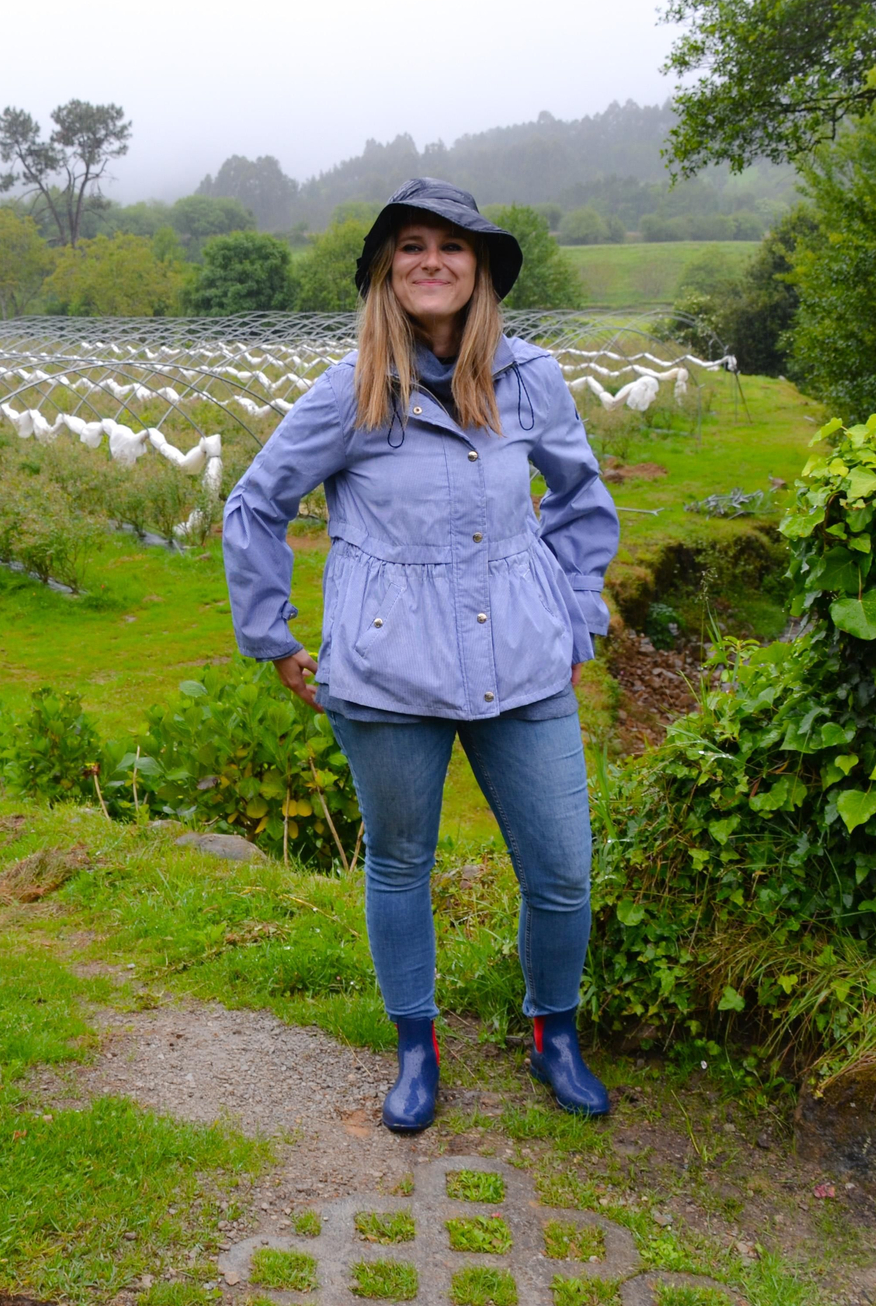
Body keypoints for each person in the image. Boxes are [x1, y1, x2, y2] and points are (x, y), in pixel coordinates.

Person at [221, 178, 620, 1132]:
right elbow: (255, 504)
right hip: (388, 674)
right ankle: (416, 1047)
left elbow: (579, 499)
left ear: (479, 269)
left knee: (563, 867)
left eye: (451, 245)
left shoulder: (533, 381)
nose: (431, 260)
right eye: (410, 247)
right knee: (401, 863)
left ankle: (552, 1033)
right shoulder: (347, 392)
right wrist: (270, 635)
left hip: (523, 661)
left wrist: (577, 617)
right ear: (384, 273)